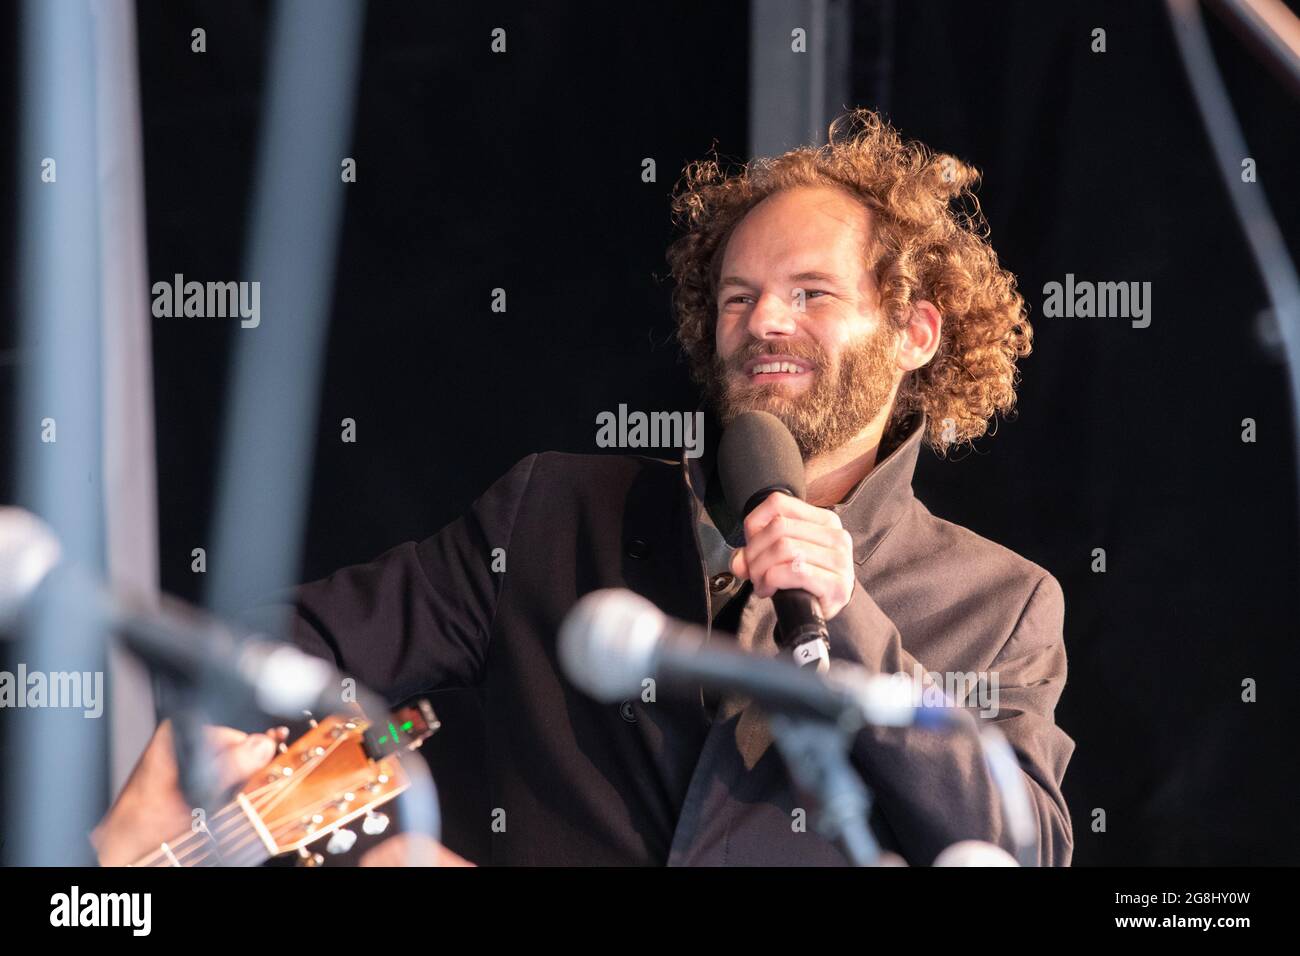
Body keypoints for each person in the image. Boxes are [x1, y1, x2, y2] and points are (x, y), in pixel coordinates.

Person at [97, 109, 1073, 866]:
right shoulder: (557, 510)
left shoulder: (997, 600)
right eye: (737, 296)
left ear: (916, 332)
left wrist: (847, 618)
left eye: (812, 292)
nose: (763, 318)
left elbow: (1022, 840)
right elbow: (283, 650)